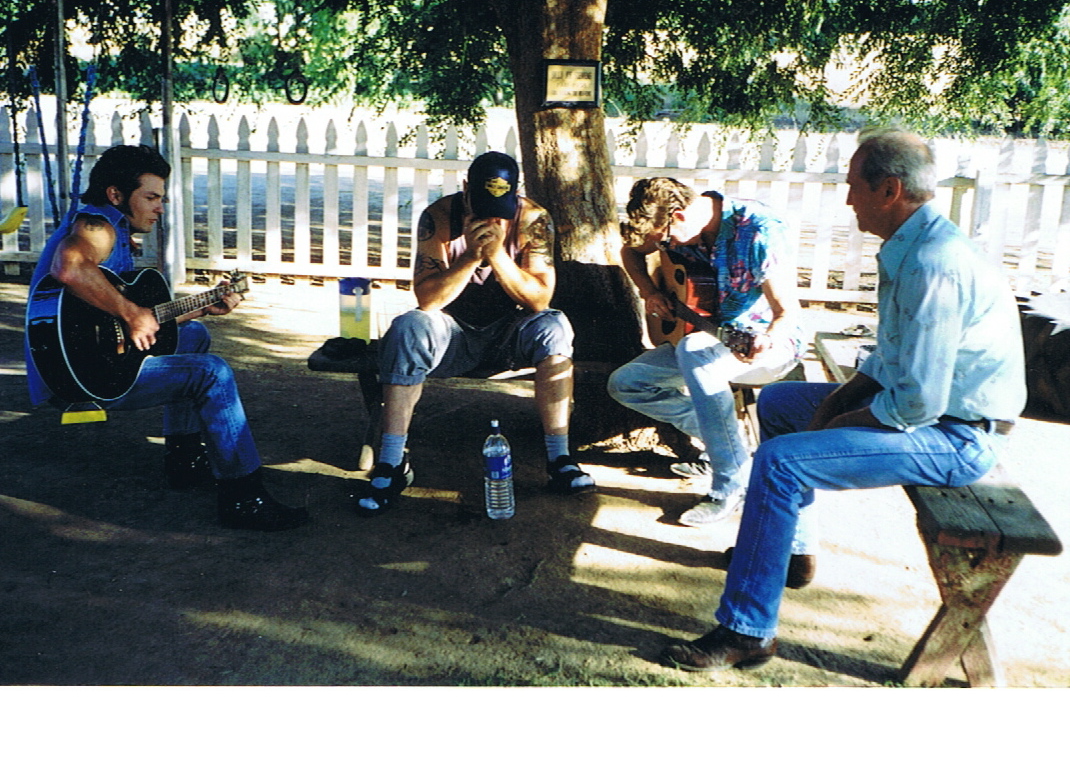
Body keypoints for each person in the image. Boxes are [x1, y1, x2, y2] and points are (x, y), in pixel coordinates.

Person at [659, 129, 1027, 672]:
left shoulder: (933, 262)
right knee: (781, 404)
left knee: (780, 463)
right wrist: (838, 400)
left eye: (855, 186)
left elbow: (917, 402)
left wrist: (842, 417)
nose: (848, 197)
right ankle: (791, 553)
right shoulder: (913, 245)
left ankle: (746, 630)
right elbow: (891, 358)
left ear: (890, 190)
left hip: (960, 437)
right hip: (940, 416)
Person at [24, 144, 309, 532]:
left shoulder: (108, 225)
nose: (160, 207)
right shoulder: (98, 227)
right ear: (115, 194)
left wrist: (205, 305)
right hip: (82, 377)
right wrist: (130, 312)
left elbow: (144, 318)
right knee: (212, 373)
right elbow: (69, 268)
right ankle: (245, 498)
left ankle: (185, 461)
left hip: (83, 362)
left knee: (192, 334)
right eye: (152, 197)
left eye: (162, 198)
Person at [356, 151, 595, 513]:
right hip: (452, 332)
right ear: (466, 189)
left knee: (555, 327)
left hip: (509, 333)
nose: (492, 217)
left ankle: (559, 459)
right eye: (483, 205)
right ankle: (392, 462)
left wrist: (497, 255)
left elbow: (540, 299)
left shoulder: (533, 219)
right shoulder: (438, 217)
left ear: (515, 194)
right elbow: (427, 298)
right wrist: (469, 256)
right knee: (408, 327)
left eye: (501, 207)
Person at [607, 178, 806, 528]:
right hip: (705, 342)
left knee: (695, 349)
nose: (665, 248)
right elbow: (631, 252)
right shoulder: (686, 232)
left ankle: (730, 485)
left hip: (767, 347)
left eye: (666, 240)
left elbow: (787, 314)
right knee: (626, 383)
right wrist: (650, 291)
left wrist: (768, 339)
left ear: (680, 216)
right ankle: (729, 449)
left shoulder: (759, 231)